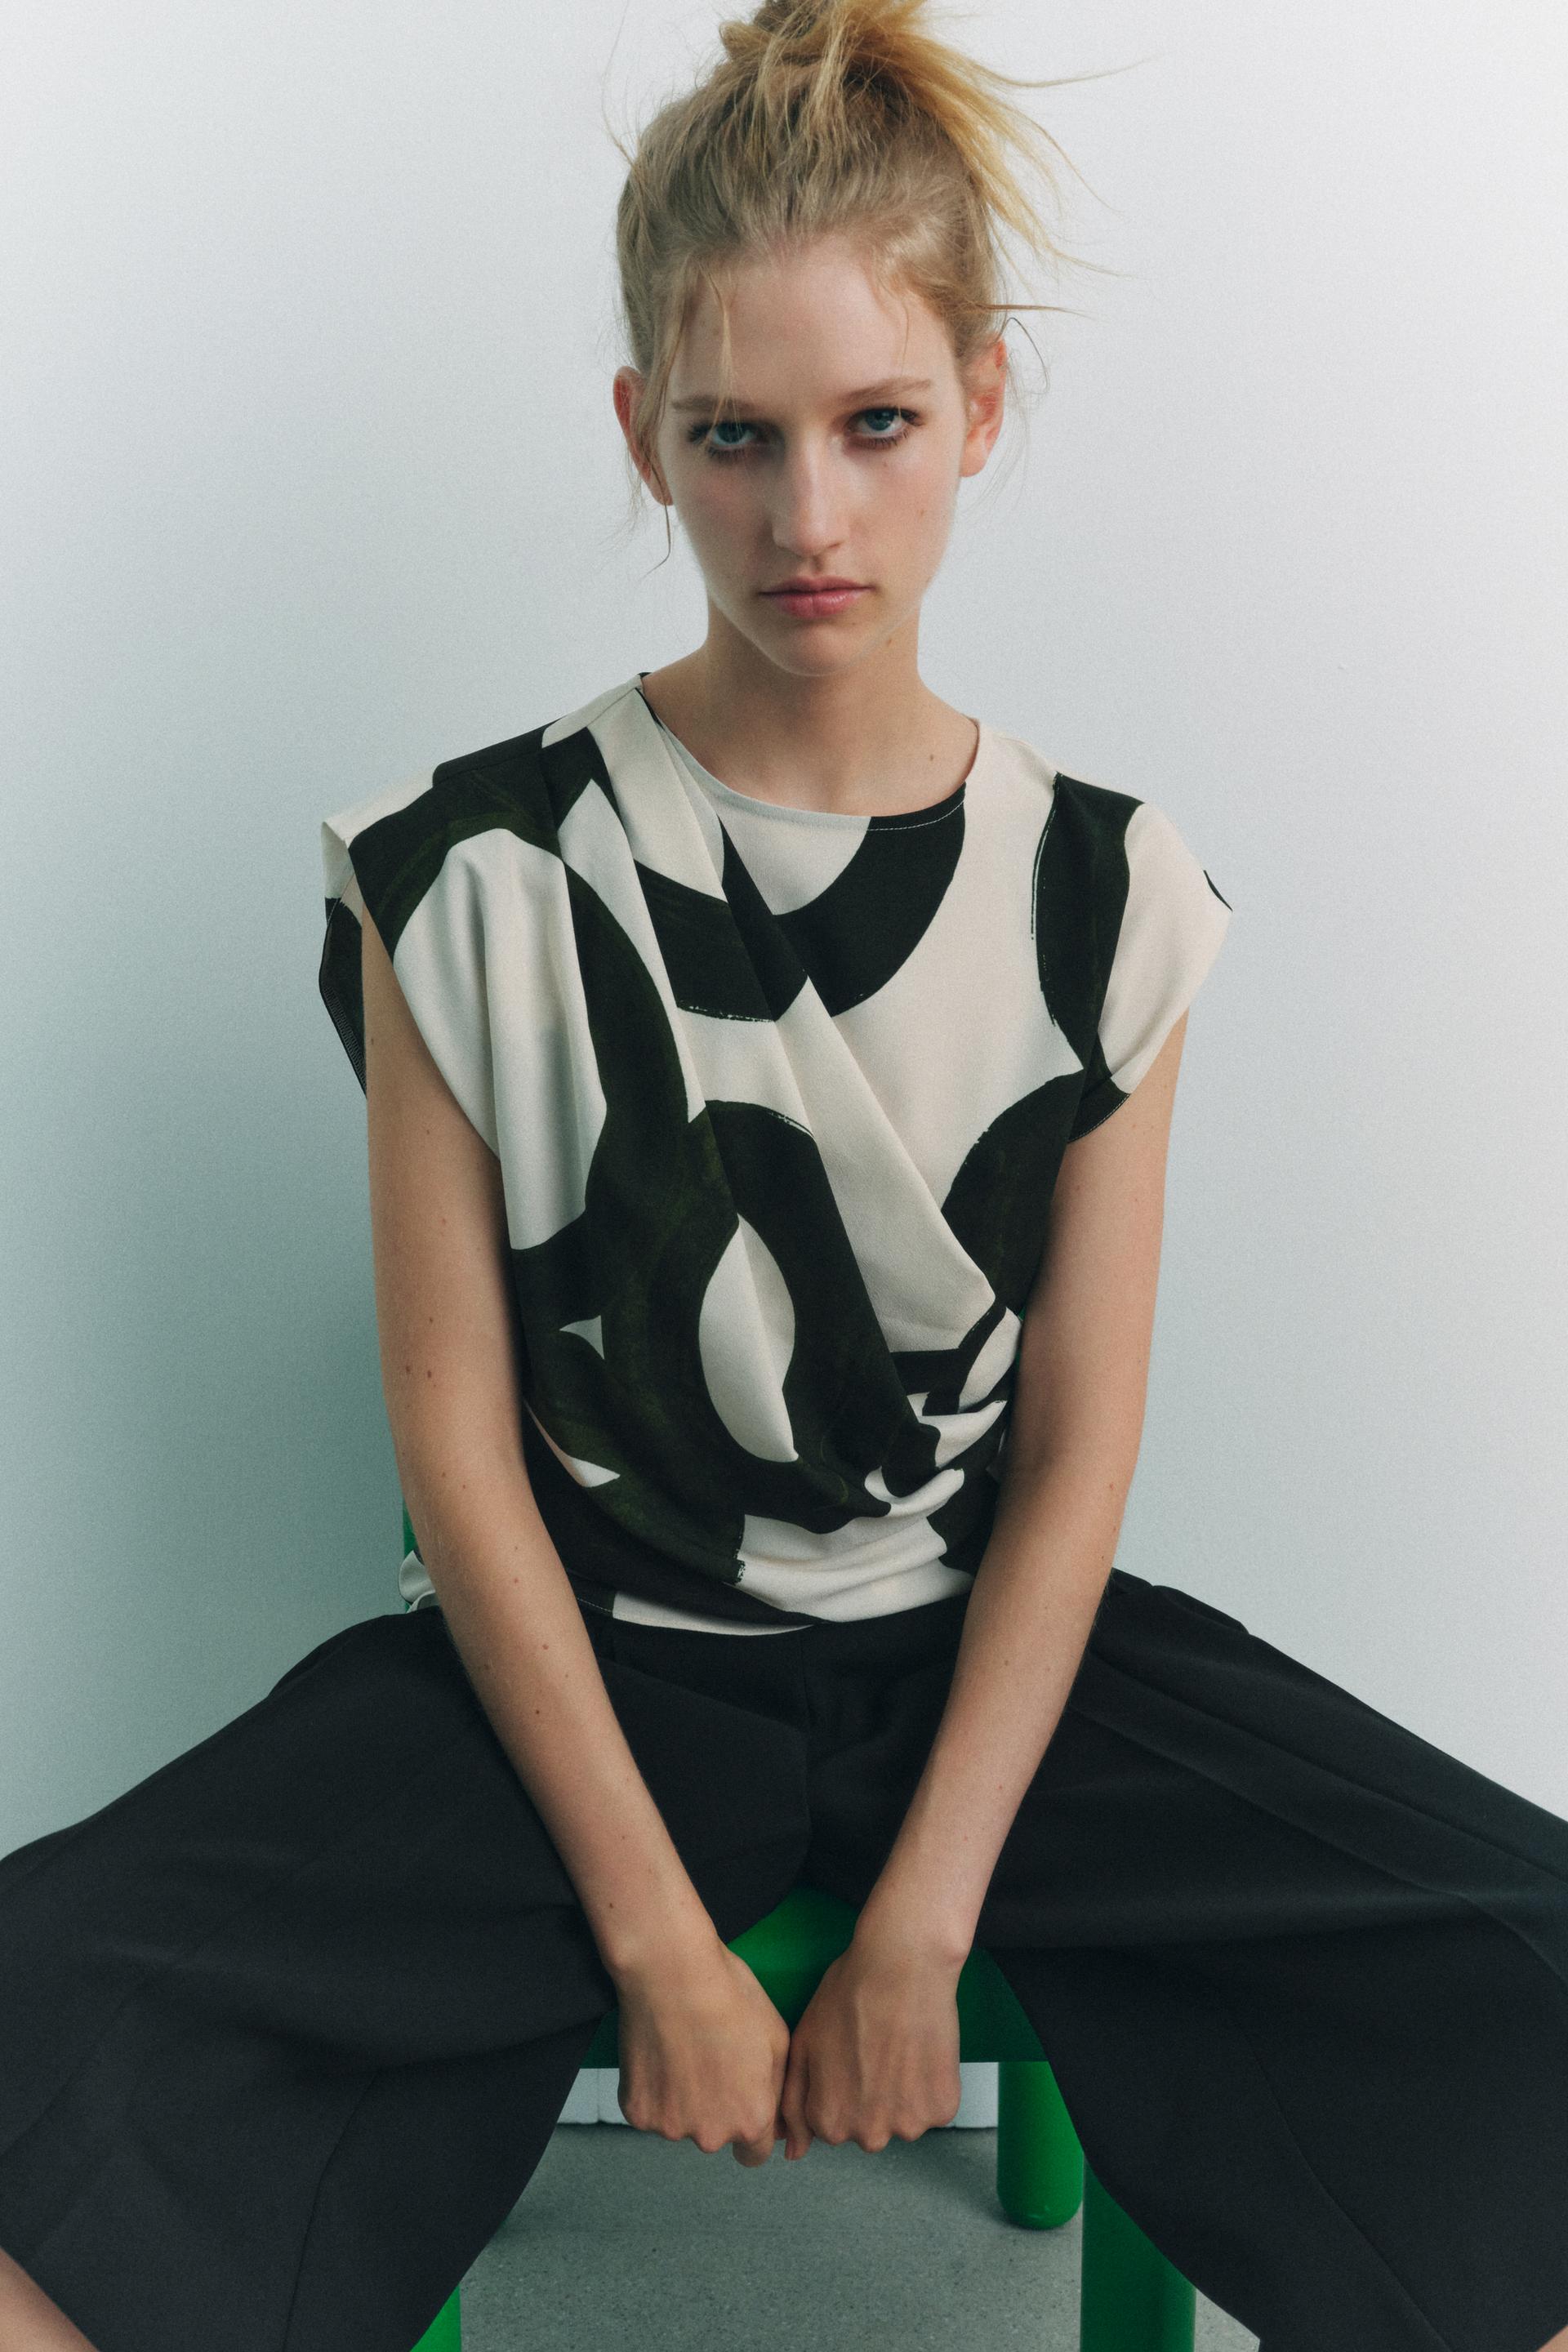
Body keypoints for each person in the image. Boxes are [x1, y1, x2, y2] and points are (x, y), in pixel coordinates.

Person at [2, 2, 1566, 2347]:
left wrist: (923, 1923)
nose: (807, 519)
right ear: (643, 428)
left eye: (877, 426)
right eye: (734, 437)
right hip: (573, 1669)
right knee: (41, 2021)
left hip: (985, 1666)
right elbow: (460, 1457)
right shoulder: (468, 876)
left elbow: (1076, 1460)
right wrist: (655, 1942)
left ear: (984, 408)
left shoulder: (1110, 893)